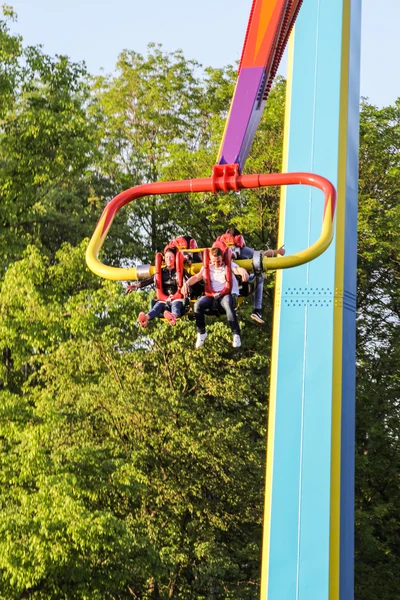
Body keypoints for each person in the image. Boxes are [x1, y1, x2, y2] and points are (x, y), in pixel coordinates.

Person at [182, 245, 249, 349]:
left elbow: (237, 269)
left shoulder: (229, 265)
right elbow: (196, 277)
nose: (216, 264)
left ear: (222, 258)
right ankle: (202, 332)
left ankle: (236, 334)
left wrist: (243, 272)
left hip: (226, 295)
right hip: (211, 296)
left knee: (227, 303)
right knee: (197, 305)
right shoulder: (207, 268)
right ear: (210, 260)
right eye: (214, 261)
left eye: (218, 261)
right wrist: (186, 284)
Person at [219, 227, 285, 324]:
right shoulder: (225, 251)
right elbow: (260, 254)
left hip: (235, 281)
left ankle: (255, 311)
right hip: (231, 281)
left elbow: (260, 254)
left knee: (258, 275)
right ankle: (257, 309)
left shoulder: (237, 250)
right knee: (260, 277)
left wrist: (276, 252)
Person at [127, 246, 186, 327]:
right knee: (157, 307)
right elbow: (149, 280)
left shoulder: (180, 271)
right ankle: (145, 318)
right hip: (164, 299)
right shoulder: (161, 272)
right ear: (164, 259)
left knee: (176, 307)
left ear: (175, 258)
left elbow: (190, 279)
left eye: (171, 257)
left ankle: (173, 317)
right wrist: (136, 286)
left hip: (177, 298)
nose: (169, 259)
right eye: (167, 257)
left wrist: (187, 287)